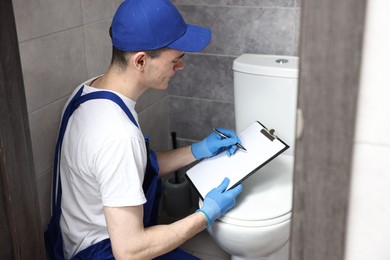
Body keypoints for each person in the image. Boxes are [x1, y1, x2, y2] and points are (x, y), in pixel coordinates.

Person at [44, 0, 243, 259]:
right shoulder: (118, 134)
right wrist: (205, 216)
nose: (180, 67)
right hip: (105, 252)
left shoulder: (89, 93)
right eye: (176, 59)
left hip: (76, 242)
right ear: (140, 61)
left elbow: (132, 167)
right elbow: (129, 251)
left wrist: (199, 149)